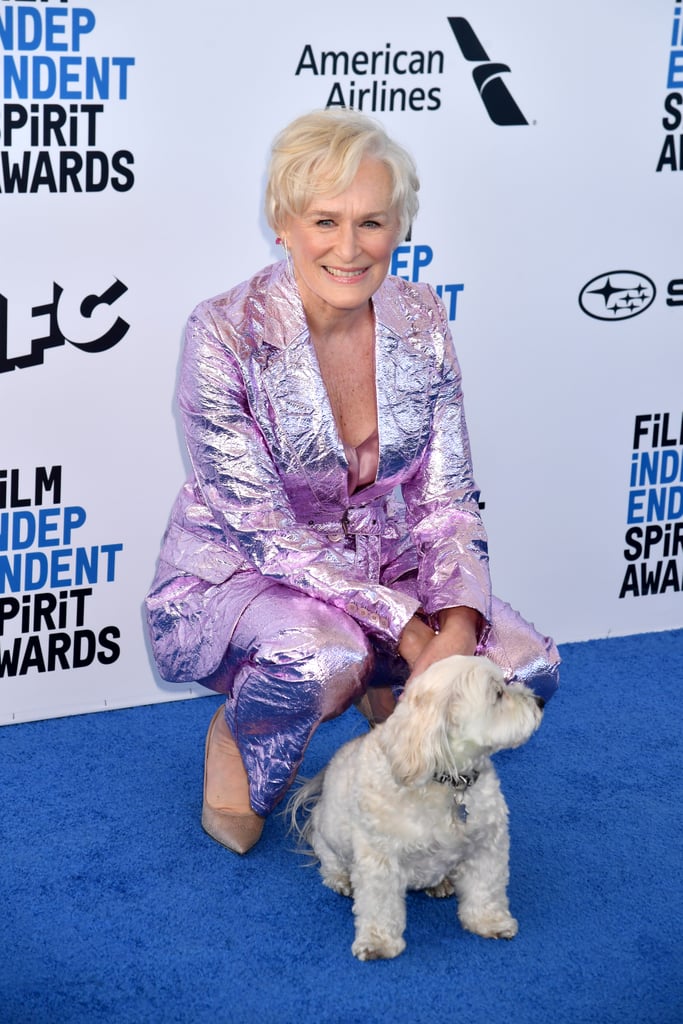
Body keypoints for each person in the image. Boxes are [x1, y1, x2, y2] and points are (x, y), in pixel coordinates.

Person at [145, 108, 559, 856]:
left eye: (370, 222)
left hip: (383, 557)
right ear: (282, 222)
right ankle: (242, 732)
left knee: (521, 665)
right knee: (322, 658)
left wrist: (459, 623)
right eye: (323, 221)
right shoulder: (222, 333)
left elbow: (447, 498)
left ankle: (388, 682)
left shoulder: (423, 317)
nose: (347, 247)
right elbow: (265, 530)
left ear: (399, 226)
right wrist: (406, 625)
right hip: (251, 568)